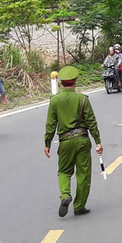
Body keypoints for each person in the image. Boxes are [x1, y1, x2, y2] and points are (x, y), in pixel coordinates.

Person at [44, 66, 103, 217]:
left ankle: (65, 195)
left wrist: (47, 143)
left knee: (64, 171)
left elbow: (51, 124)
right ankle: (79, 206)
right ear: (75, 82)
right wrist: (98, 141)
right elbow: (91, 122)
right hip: (82, 140)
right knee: (83, 174)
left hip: (65, 141)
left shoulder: (55, 100)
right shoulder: (83, 99)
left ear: (61, 83)